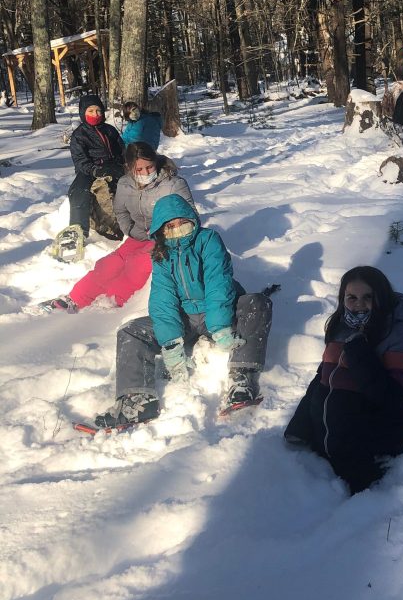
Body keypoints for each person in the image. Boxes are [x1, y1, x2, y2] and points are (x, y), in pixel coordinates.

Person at [106, 195, 273, 427]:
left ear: (192, 220)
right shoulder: (161, 254)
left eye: (181, 222)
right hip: (185, 319)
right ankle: (139, 401)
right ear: (161, 229)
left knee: (257, 303)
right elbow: (163, 299)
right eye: (170, 225)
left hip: (220, 313)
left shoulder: (208, 240)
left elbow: (218, 283)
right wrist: (171, 343)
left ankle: (241, 379)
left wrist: (220, 326)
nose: (177, 228)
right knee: (130, 331)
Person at [284, 266, 403, 494]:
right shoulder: (341, 327)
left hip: (372, 448)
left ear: (381, 297)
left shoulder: (400, 336)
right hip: (332, 440)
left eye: (368, 297)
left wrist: (360, 353)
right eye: (352, 297)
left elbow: (394, 397)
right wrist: (302, 423)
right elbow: (323, 378)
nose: (359, 304)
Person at [36, 142, 195, 314]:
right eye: (139, 169)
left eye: (149, 167)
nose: (146, 173)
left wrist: (167, 231)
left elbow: (190, 214)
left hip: (167, 237)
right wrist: (130, 230)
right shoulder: (125, 183)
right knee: (110, 263)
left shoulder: (173, 184)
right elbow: (120, 211)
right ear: (129, 167)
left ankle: (111, 302)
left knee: (139, 264)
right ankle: (75, 299)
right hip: (138, 235)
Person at [66, 93, 125, 239]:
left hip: (113, 165)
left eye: (98, 110)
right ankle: (77, 230)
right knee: (78, 192)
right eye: (90, 111)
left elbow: (121, 149)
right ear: (83, 113)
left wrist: (122, 163)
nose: (95, 114)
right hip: (88, 170)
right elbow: (80, 160)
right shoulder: (79, 135)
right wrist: (94, 170)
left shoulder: (110, 130)